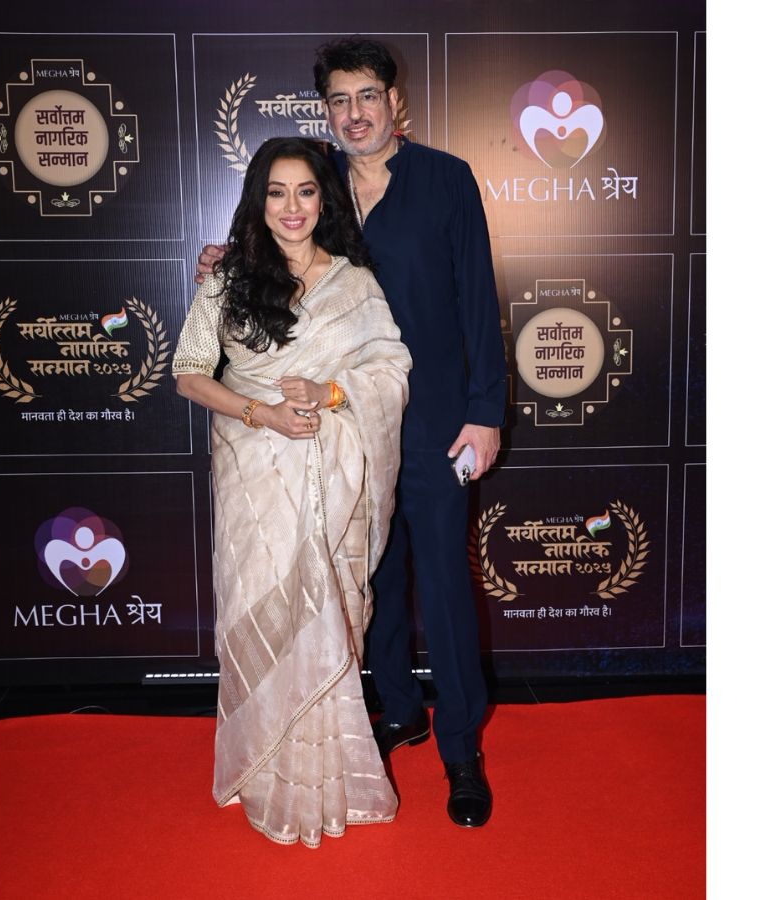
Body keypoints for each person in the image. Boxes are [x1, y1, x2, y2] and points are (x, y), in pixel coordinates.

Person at [199, 39, 507, 829]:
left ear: (394, 102)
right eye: (339, 100)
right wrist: (225, 261)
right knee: (368, 575)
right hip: (339, 429)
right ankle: (399, 710)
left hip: (435, 421)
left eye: (368, 96)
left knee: (443, 582)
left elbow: (478, 297)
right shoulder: (318, 181)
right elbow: (277, 245)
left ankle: (461, 749)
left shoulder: (445, 179)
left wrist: (486, 412)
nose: (355, 113)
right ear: (326, 110)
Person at [173, 136, 413, 848]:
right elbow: (189, 373)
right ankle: (266, 764)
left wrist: (331, 392)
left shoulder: (354, 284)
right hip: (253, 473)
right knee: (262, 607)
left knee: (326, 613)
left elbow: (391, 366)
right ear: (259, 201)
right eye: (276, 193)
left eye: (305, 191)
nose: (292, 207)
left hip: (331, 475)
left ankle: (327, 771)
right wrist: (264, 413)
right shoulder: (228, 278)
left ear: (323, 199)